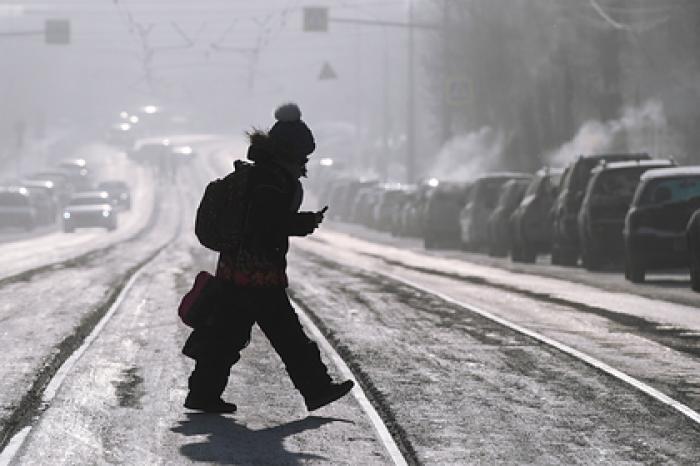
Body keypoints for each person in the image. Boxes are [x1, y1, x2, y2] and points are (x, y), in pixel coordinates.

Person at [182, 103, 354, 413]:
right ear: (290, 152)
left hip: (236, 271)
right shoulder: (271, 181)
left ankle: (202, 393)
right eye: (303, 155)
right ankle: (316, 388)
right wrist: (301, 223)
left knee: (224, 338)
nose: (305, 162)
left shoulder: (262, 174)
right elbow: (266, 224)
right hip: (258, 274)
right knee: (288, 337)